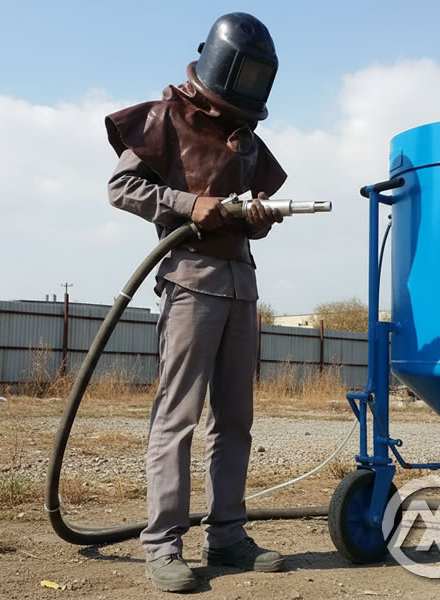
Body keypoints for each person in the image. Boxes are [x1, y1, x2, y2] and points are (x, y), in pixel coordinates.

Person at [104, 12, 287, 593]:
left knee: (235, 419)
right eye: (246, 70)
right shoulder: (165, 116)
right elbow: (121, 187)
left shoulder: (248, 138)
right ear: (218, 60)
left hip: (241, 283)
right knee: (177, 416)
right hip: (190, 281)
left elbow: (254, 208)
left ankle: (228, 536)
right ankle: (163, 543)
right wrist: (187, 205)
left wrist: (258, 217)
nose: (250, 83)